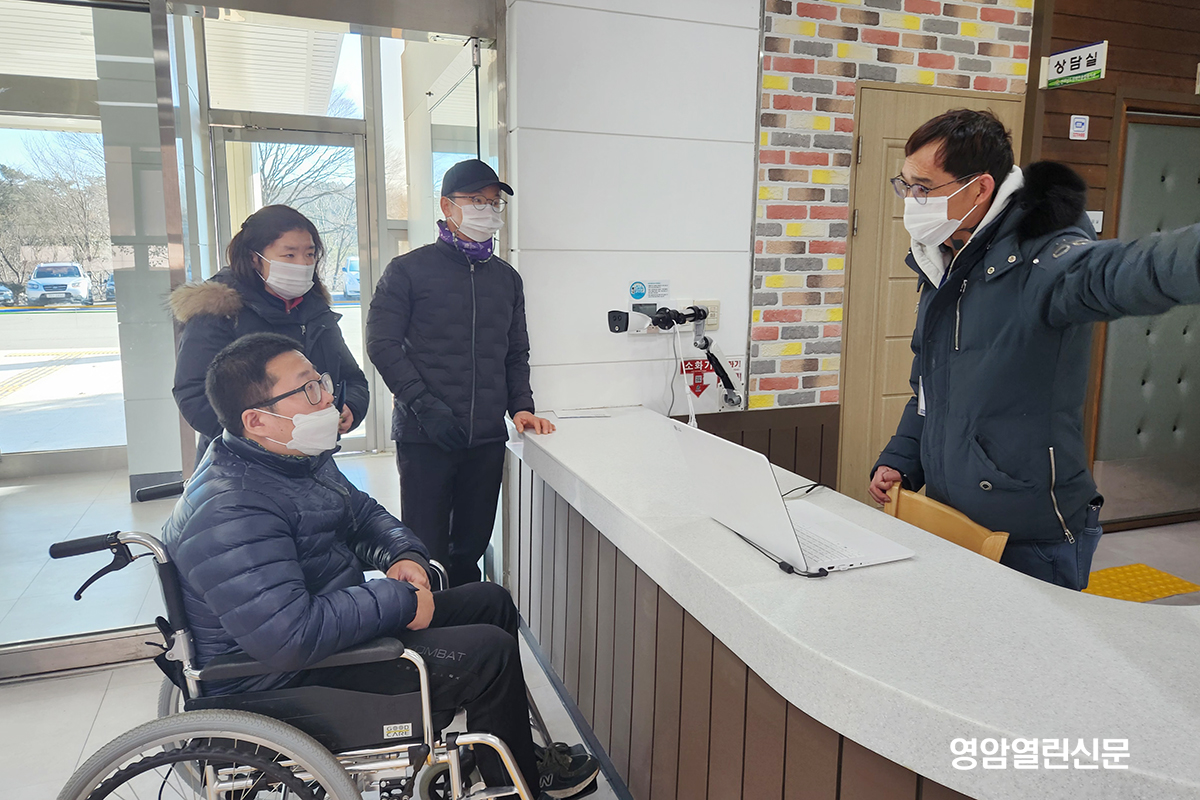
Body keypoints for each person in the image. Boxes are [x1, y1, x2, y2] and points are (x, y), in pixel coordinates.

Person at [161, 332, 599, 798]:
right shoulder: (233, 506)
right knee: (489, 652)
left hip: (326, 640)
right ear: (257, 420)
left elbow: (363, 516)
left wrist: (402, 555)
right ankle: (514, 783)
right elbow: (288, 637)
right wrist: (399, 601)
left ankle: (508, 765)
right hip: (282, 680)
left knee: (491, 601)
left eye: (322, 382)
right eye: (308, 389)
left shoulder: (290, 460)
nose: (328, 398)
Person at [869, 109, 1200, 591]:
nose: (911, 200)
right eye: (905, 185)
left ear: (979, 189)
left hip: (1031, 533)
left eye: (923, 188)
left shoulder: (1043, 257)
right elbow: (930, 387)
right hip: (950, 514)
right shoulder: (946, 258)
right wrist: (901, 457)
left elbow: (1124, 271)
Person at [367, 159, 555, 587]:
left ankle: (468, 622)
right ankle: (430, 622)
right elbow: (382, 345)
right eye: (475, 200)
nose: (487, 210)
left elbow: (515, 352)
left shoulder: (507, 280)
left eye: (494, 203)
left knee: (470, 547)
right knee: (426, 549)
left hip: (485, 439)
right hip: (425, 435)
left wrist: (522, 407)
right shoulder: (408, 271)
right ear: (447, 206)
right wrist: (423, 405)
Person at [170, 204, 368, 465]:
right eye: (289, 255)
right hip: (241, 463)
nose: (303, 263)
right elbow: (194, 396)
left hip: (313, 458)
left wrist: (350, 407)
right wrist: (269, 440)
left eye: (310, 254)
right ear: (255, 257)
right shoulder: (219, 311)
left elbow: (352, 379)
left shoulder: (315, 310)